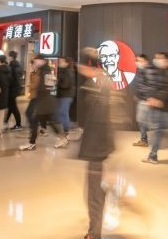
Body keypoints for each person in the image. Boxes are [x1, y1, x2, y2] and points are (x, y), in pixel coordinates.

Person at [77, 62, 115, 239]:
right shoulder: (97, 84)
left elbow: (101, 121)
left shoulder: (100, 87)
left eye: (82, 66)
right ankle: (94, 229)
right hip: (97, 147)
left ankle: (94, 233)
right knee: (94, 192)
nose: (80, 69)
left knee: (94, 194)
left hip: (97, 148)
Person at [19, 55, 67, 151]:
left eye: (36, 60)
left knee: (37, 121)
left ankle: (32, 143)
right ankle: (62, 139)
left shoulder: (45, 71)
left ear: (41, 61)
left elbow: (45, 87)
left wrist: (38, 96)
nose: (35, 62)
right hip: (44, 101)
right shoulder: (44, 70)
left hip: (44, 102)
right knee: (49, 121)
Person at [132, 54, 152, 147]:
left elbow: (149, 86)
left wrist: (146, 98)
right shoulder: (140, 71)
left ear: (146, 62)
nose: (138, 63)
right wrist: (137, 95)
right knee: (141, 120)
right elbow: (140, 85)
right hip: (142, 100)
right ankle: (144, 139)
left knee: (142, 120)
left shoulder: (148, 71)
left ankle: (144, 140)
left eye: (140, 61)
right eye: (137, 61)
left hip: (145, 101)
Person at [55, 57, 75, 137]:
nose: (60, 63)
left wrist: (57, 82)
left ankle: (66, 129)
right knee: (62, 112)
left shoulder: (68, 71)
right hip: (64, 95)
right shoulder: (64, 70)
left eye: (61, 61)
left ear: (66, 63)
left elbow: (66, 84)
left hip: (66, 96)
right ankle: (66, 128)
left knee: (63, 113)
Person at [4, 50, 23, 130]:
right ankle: (5, 123)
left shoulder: (11, 66)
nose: (8, 58)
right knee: (11, 106)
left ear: (11, 57)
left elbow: (11, 79)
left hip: (12, 89)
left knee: (13, 107)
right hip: (15, 89)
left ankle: (18, 124)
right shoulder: (18, 65)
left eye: (8, 56)